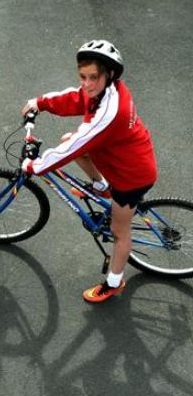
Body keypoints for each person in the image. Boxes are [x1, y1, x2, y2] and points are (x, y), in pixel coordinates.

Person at [21, 39, 158, 303]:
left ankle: (113, 283)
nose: (87, 83)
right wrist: (40, 103)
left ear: (109, 75)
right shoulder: (106, 90)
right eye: (82, 76)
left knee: (120, 233)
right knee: (68, 140)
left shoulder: (111, 111)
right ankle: (100, 186)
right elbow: (75, 98)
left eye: (93, 77)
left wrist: (34, 166)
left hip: (131, 176)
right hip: (120, 155)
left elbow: (74, 147)